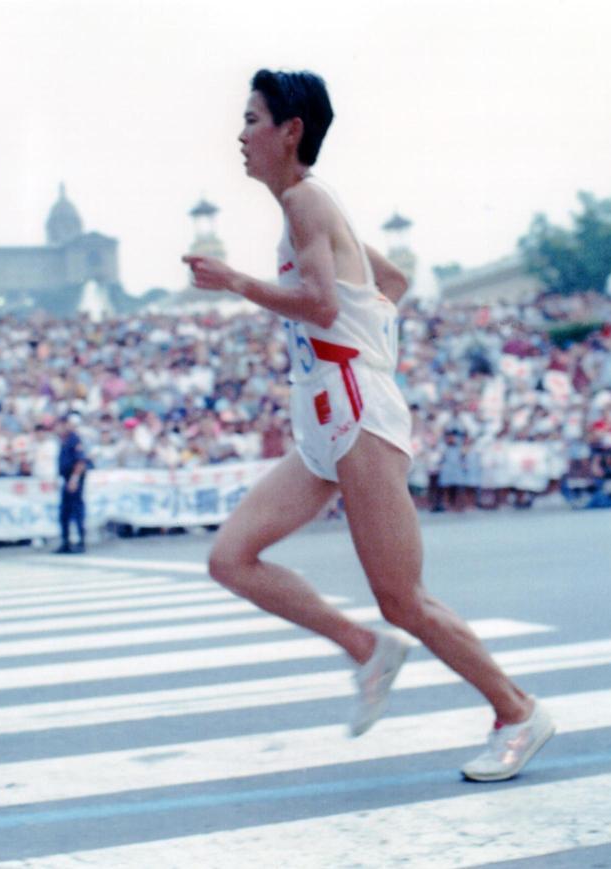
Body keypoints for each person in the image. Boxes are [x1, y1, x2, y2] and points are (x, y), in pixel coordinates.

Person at [183, 69, 552, 779]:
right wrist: (368, 326)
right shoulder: (315, 208)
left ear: (290, 130)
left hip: (351, 403)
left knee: (402, 596)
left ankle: (518, 710)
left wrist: (238, 284)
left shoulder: (306, 201)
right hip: (325, 408)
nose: (241, 133)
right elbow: (390, 285)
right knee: (230, 557)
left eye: (252, 118)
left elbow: (322, 306)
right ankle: (364, 646)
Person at [56, 412, 89, 554]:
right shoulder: (63, 441)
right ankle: (66, 542)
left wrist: (74, 479)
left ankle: (80, 542)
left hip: (74, 479)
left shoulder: (74, 440)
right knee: (65, 512)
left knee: (76, 510)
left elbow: (80, 461)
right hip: (66, 478)